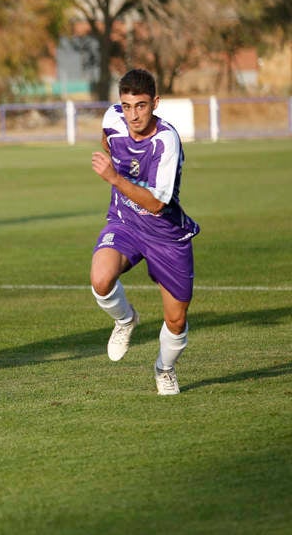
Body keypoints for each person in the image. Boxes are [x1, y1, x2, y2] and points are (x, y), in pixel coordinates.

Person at [90, 69, 199, 395]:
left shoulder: (166, 141)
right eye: (127, 106)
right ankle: (125, 320)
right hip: (125, 222)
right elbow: (107, 136)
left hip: (166, 234)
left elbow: (155, 204)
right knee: (101, 279)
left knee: (176, 320)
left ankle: (164, 369)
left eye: (141, 105)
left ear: (155, 103)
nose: (133, 114)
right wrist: (111, 159)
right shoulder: (113, 118)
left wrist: (114, 178)